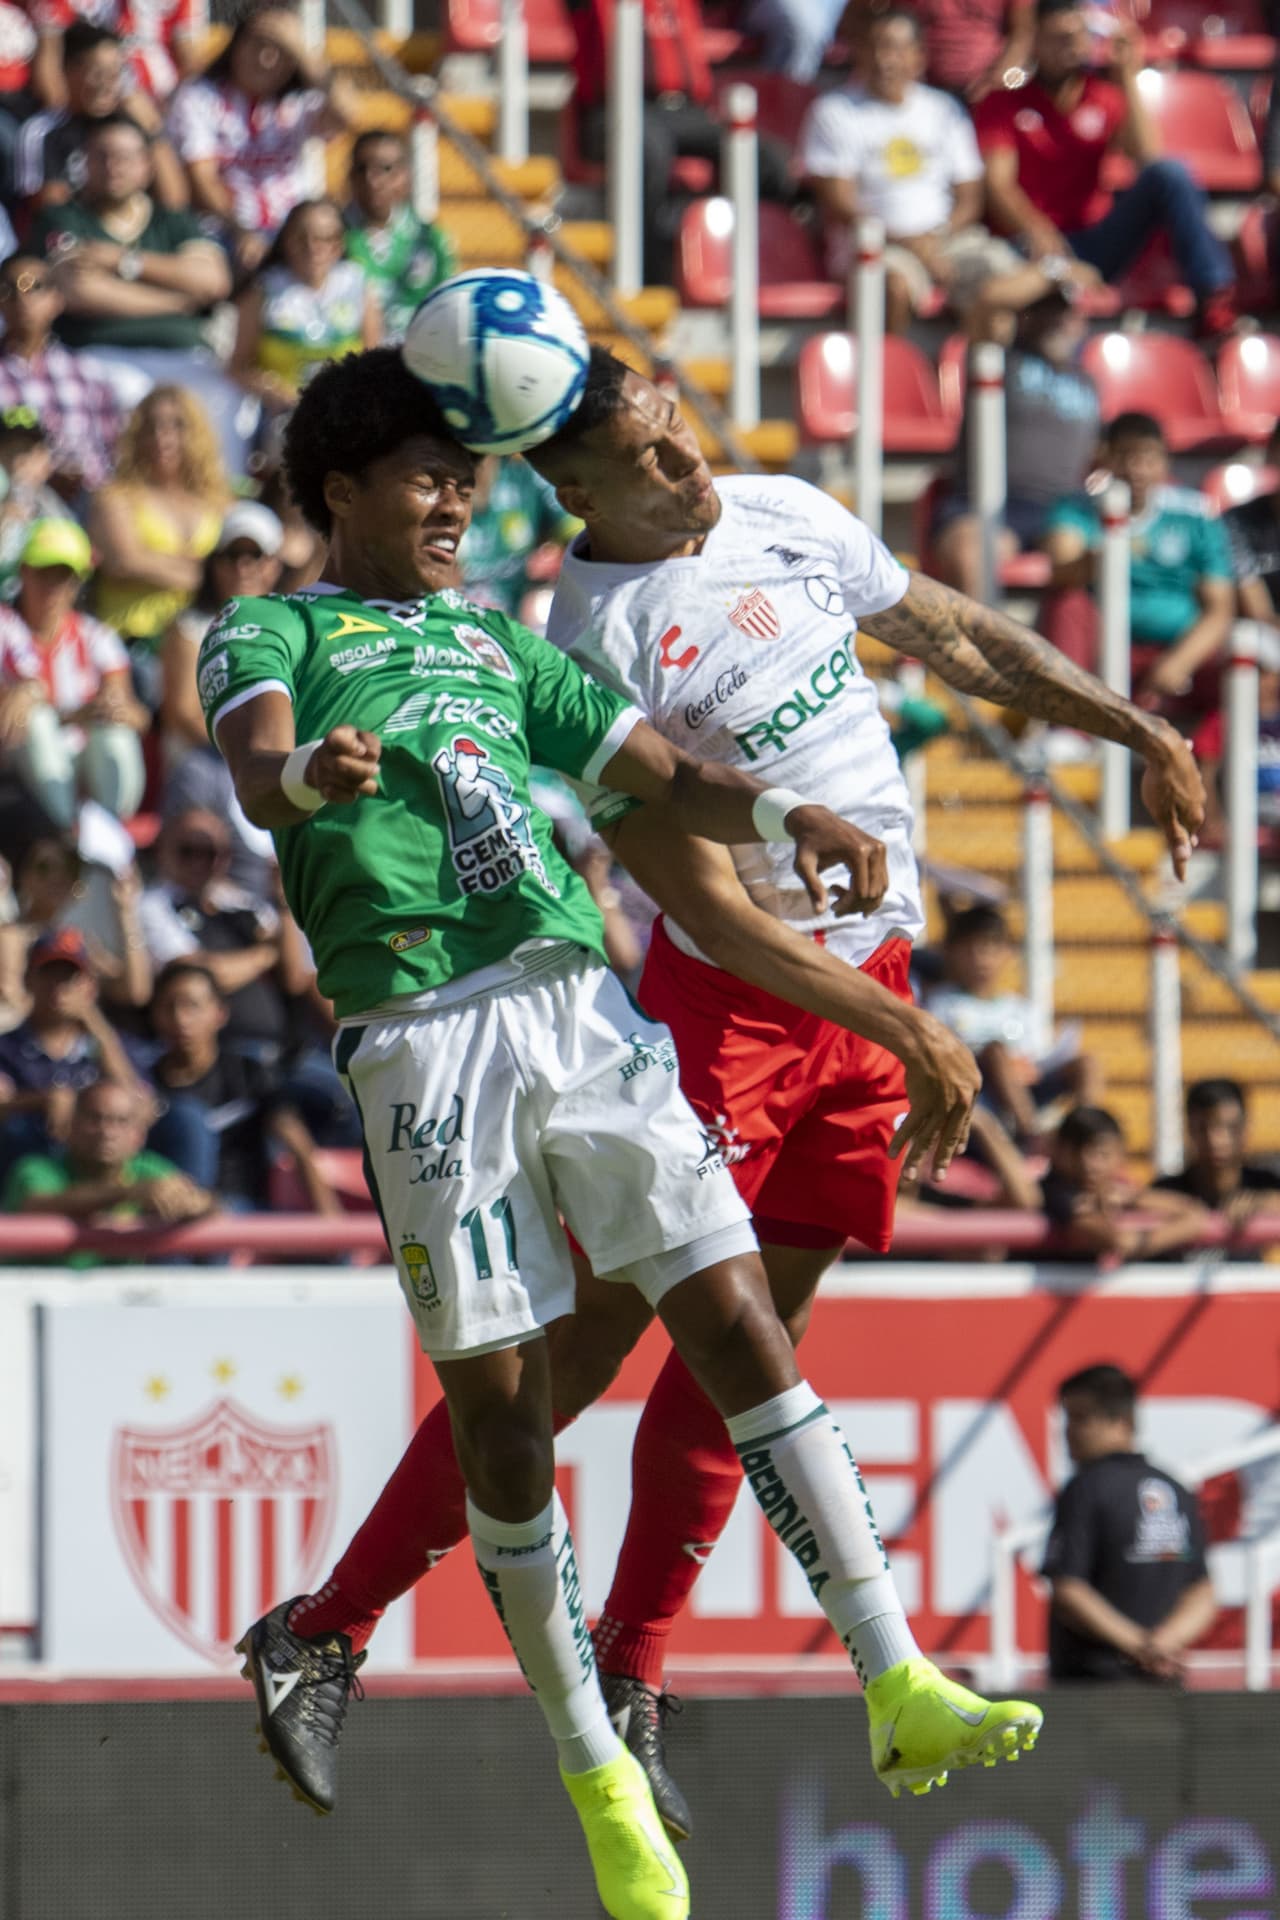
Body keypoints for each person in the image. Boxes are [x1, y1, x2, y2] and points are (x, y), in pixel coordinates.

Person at [242, 347, 1204, 1845]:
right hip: (746, 1007)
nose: (692, 461)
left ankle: (636, 1672)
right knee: (576, 1364)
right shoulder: (591, 628)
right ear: (575, 490)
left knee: (748, 1354)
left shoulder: (784, 511)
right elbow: (692, 884)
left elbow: (959, 638)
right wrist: (892, 1017)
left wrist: (1131, 723)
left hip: (869, 993)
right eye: (652, 452)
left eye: (682, 427)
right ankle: (338, 1620)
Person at [974, 0, 1237, 342]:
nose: (1068, 47)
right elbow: (998, 185)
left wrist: (1127, 74)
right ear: (1035, 41)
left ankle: (1213, 296)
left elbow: (1148, 156)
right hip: (1028, 244)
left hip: (1092, 242)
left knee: (1171, 174)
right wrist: (1040, 232)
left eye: (1075, 36)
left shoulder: (1104, 96)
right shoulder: (1002, 104)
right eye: (1057, 38)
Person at [29, 115, 238, 464]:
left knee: (223, 398)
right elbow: (79, 289)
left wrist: (121, 261)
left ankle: (226, 505)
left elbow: (214, 280)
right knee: (124, 400)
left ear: (146, 166)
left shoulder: (173, 220)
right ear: (85, 162)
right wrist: (181, 300)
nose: (114, 166)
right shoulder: (63, 218)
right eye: (102, 156)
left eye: (125, 157)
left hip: (185, 356)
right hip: (99, 354)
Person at [797, 9, 1013, 327]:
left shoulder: (944, 111)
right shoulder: (834, 112)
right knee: (892, 288)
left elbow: (969, 198)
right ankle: (891, 372)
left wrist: (934, 239)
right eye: (876, 46)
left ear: (919, 57)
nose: (886, 59)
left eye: (896, 48)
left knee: (1010, 283)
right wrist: (907, 243)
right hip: (873, 246)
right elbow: (839, 204)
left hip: (945, 242)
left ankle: (983, 370)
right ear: (860, 50)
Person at [566, 0, 793, 285]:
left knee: (767, 158)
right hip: (614, 110)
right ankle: (644, 277)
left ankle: (757, 267)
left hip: (683, 109)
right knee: (648, 149)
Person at [1043, 413, 1235, 716]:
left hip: (1178, 650)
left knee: (1239, 658)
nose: (1137, 471)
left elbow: (1220, 607)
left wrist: (1178, 662)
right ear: (1106, 459)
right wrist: (1108, 547)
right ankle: (1068, 730)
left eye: (1148, 458)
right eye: (1127, 457)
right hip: (1104, 643)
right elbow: (1062, 571)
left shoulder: (1195, 514)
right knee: (1068, 604)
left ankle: (1226, 753)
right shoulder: (1079, 508)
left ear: (1165, 462)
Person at [1044, 1363, 1218, 1682]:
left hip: (1091, 1688)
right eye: (1066, 1419)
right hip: (1163, 1684)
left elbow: (1069, 1589)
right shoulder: (1176, 1488)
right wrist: (1165, 1644)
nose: (1067, 1432)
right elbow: (1202, 1594)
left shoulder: (1085, 1488)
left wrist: (1139, 1645)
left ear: (1122, 1421)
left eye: (1081, 1418)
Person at [164, 3, 358, 273]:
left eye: (279, 51)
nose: (266, 59)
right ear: (236, 46)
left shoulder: (300, 101)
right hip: (226, 232)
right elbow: (202, 180)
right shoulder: (198, 97)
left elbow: (348, 114)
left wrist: (303, 51)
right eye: (257, 45)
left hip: (294, 234)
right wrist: (241, 231)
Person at [930, 291, 1100, 598]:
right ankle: (984, 645)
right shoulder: (999, 359)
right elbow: (986, 303)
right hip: (987, 504)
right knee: (971, 555)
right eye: (1047, 313)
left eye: (1066, 314)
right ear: (1025, 318)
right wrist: (1051, 270)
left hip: (1060, 509)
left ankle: (1062, 645)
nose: (1058, 322)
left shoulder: (1088, 382)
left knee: (1092, 558)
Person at [146, 956, 338, 1212]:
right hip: (169, 1214)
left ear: (220, 1013)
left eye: (191, 1006)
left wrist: (330, 1220)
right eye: (169, 1007)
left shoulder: (250, 1072)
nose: (180, 1018)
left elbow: (299, 1146)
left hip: (244, 1212)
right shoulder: (144, 1084)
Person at [0, 516, 147, 827]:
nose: (53, 588)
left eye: (63, 576)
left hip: (84, 760)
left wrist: (111, 711)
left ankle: (108, 833)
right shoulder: (5, 627)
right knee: (37, 724)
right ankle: (67, 834)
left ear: (77, 582)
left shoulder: (97, 638)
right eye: (44, 573)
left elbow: (133, 713)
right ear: (24, 572)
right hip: (18, 763)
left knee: (114, 731)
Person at [925, 903, 1101, 1142]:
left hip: (1027, 1085)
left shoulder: (1022, 1008)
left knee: (1087, 1063)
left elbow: (1039, 1056)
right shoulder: (941, 1003)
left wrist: (1024, 1067)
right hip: (980, 1090)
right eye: (970, 949)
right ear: (951, 952)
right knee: (995, 1052)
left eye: (990, 948)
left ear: (1007, 953)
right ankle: (1032, 1136)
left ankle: (1086, 1135)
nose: (981, 959)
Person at [3, 1073, 213, 1264]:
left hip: (120, 1300)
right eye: (95, 1119)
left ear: (138, 1136)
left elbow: (206, 1203)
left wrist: (196, 1205)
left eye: (120, 1121)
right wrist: (129, 1192)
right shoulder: (35, 1169)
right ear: (69, 1127)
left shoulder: (149, 1169)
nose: (107, 1131)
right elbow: (39, 1204)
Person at [87, 382, 227, 667]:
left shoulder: (219, 502)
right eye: (151, 426)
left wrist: (156, 559)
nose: (162, 437)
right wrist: (205, 572)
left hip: (208, 644)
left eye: (177, 426)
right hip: (137, 644)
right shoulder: (116, 497)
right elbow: (124, 561)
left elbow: (241, 563)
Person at [0, 925, 145, 1175]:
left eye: (70, 977)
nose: (59, 987)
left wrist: (99, 1030)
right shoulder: (6, 1047)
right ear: (28, 979)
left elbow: (140, 1105)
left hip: (101, 1171)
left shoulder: (111, 1045)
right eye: (49, 974)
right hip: (26, 1170)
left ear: (89, 985)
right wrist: (43, 1100)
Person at [230, 196, 380, 422]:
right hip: (280, 413)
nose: (313, 248)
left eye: (324, 239)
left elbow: (374, 360)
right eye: (302, 238)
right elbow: (237, 368)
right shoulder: (263, 291)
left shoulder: (357, 285)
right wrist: (273, 389)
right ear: (286, 241)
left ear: (338, 244)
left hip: (345, 411)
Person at [14, 19, 186, 208]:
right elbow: (48, 211)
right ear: (68, 71)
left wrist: (152, 129)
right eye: (97, 72)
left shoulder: (128, 126)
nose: (107, 85)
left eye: (115, 73)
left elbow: (174, 203)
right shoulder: (44, 132)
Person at [0, 251, 121, 495]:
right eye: (8, 288)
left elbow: (113, 459)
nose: (22, 297)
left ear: (56, 299)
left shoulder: (89, 377)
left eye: (34, 286)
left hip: (85, 504)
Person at [1039, 1105, 1210, 1261]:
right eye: (1080, 1152)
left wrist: (1131, 1198)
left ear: (1120, 1155)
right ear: (1060, 1151)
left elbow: (1193, 1208)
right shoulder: (1056, 1191)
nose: (1090, 1165)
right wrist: (1186, 1227)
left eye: (1103, 1154)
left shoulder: (1115, 1190)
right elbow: (1120, 1242)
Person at [342, 127, 456, 345]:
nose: (372, 180)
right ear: (350, 176)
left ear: (404, 176)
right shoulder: (331, 238)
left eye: (385, 169)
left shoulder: (431, 240)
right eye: (362, 168)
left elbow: (449, 306)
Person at [457, 455, 579, 623]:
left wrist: (558, 553)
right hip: (454, 628)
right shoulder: (436, 488)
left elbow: (578, 528)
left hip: (518, 624)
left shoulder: (524, 475)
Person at [1152, 1078, 1280, 1228]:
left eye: (1229, 1128)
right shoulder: (1167, 1191)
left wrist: (1260, 1203)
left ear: (1245, 1128)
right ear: (1189, 1129)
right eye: (1203, 1128)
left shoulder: (1266, 1183)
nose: (1216, 1140)